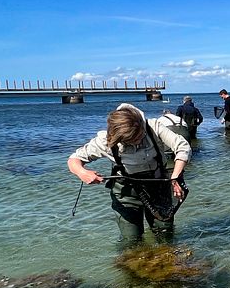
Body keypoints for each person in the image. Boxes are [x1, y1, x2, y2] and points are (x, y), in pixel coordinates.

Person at [67, 103, 191, 243]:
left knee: (165, 234)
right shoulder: (104, 141)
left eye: (140, 136)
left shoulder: (153, 127)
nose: (139, 141)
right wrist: (82, 173)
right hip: (126, 194)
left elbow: (183, 146)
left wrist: (175, 177)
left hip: (158, 188)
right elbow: (73, 160)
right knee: (131, 240)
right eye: (133, 140)